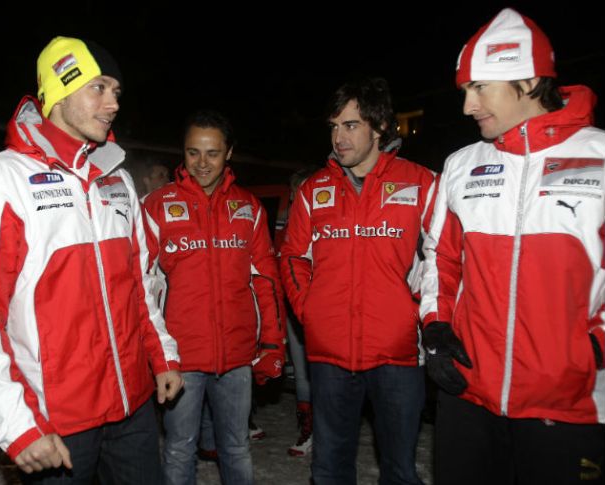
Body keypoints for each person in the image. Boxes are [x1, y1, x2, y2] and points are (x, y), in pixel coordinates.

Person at [0, 36, 183, 484]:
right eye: (98, 88)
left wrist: (163, 356)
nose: (113, 103)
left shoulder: (116, 178)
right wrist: (18, 425)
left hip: (132, 407)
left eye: (116, 91)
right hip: (57, 419)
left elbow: (139, 284)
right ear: (58, 92)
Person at [419, 8, 605, 484]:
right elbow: (439, 259)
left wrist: (592, 351)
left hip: (564, 403)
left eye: (480, 88)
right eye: (465, 91)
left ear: (527, 80)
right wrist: (436, 330)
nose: (467, 106)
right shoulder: (462, 165)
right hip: (469, 395)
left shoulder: (598, 157)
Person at [280, 78, 436, 485]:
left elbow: (441, 259)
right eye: (334, 126)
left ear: (380, 126)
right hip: (330, 356)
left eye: (350, 125)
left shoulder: (421, 183)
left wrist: (414, 314)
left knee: (400, 469)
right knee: (329, 468)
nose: (338, 137)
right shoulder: (315, 191)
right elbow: (293, 257)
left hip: (398, 356)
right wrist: (310, 312)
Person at [142, 110, 286, 485]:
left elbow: (266, 281)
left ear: (229, 153)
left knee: (236, 447)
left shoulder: (248, 207)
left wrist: (272, 343)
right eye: (193, 153)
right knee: (178, 448)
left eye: (212, 153)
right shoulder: (158, 206)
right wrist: (155, 354)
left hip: (237, 357)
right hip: (181, 358)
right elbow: (140, 285)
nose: (202, 163)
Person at [277, 165, 320, 457]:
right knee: (302, 372)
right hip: (294, 305)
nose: (298, 195)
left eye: (303, 188)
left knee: (323, 373)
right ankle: (307, 429)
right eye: (294, 190)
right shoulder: (287, 220)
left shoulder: (328, 216)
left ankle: (324, 430)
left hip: (322, 307)